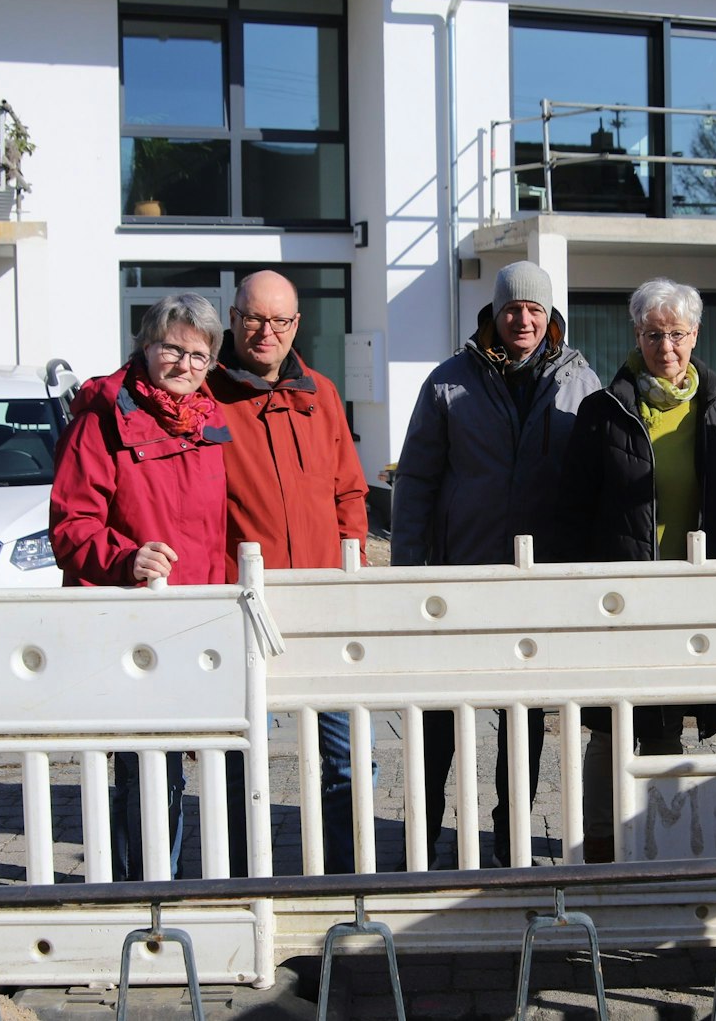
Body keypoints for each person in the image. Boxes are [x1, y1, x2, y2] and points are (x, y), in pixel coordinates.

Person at [392, 259, 602, 867]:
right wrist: (410, 570)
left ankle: (512, 836)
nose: (523, 319)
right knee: (440, 713)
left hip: (538, 580)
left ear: (550, 315)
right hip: (462, 574)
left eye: (535, 309)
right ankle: (423, 841)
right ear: (495, 313)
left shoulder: (579, 380)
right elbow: (417, 481)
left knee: (524, 716)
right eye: (513, 308)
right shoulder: (449, 381)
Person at [553, 278, 716, 860]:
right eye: (653, 333)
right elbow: (572, 509)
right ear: (635, 334)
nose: (666, 346)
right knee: (610, 724)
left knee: (667, 719)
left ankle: (662, 842)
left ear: (695, 335)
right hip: (619, 593)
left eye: (677, 333)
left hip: (689, 594)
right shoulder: (603, 411)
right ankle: (599, 847)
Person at [50, 292, 231, 880]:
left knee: (204, 759)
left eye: (197, 354)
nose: (183, 365)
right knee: (145, 767)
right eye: (170, 349)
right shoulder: (104, 417)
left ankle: (202, 885)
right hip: (132, 621)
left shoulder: (211, 419)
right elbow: (71, 526)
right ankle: (144, 894)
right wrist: (126, 559)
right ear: (145, 348)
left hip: (201, 617)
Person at [208, 269, 370, 876]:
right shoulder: (208, 396)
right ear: (233, 318)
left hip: (323, 607)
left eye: (279, 320)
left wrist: (349, 559)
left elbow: (349, 489)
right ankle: (247, 881)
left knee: (346, 754)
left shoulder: (321, 395)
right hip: (244, 611)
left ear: (297, 325)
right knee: (241, 759)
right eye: (253, 318)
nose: (265, 331)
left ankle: (343, 878)